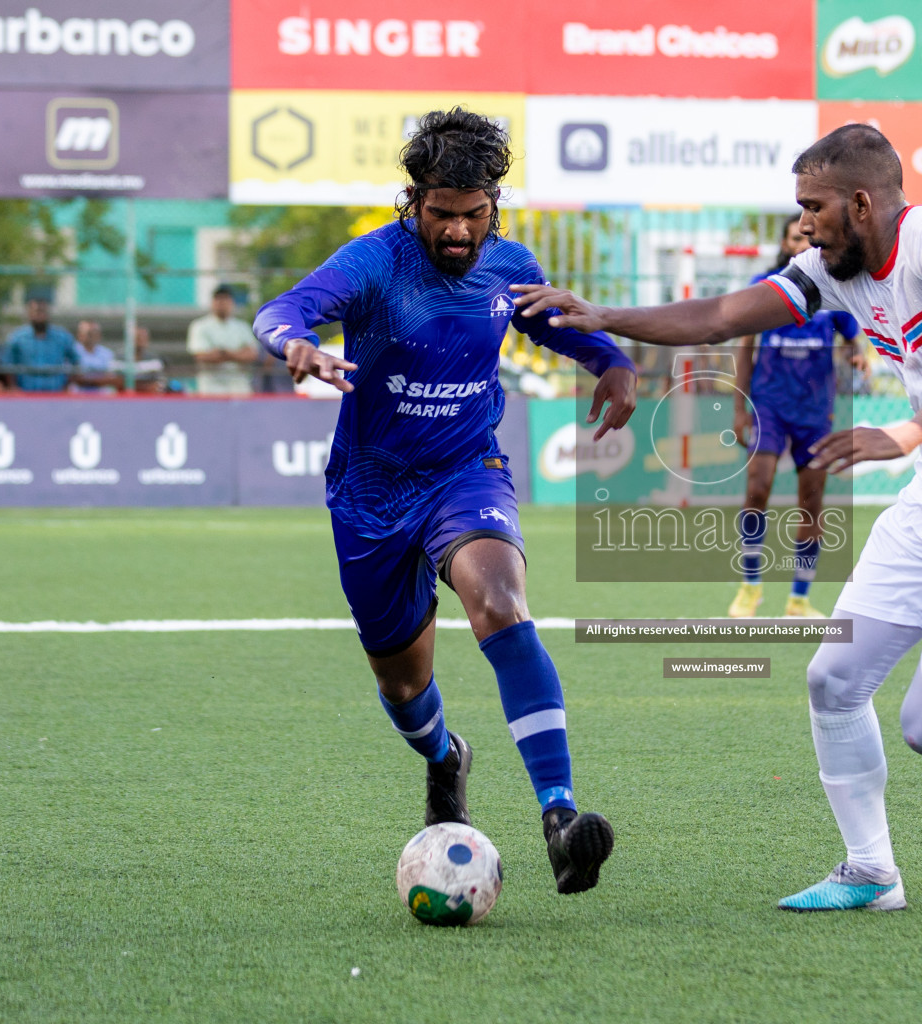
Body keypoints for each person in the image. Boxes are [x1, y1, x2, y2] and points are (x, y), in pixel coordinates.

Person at [513, 123, 922, 912]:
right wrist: (602, 314)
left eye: (813, 207)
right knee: (833, 678)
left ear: (861, 202)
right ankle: (872, 871)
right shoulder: (827, 271)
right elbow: (719, 318)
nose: (804, 223)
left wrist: (909, 431)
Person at [252, 108, 637, 895]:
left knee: (499, 600)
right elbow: (284, 308)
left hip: (467, 471)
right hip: (370, 493)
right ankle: (444, 757)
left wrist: (614, 363)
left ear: (493, 204)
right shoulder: (374, 263)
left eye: (472, 215)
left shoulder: (509, 265)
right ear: (414, 202)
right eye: (441, 214)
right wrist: (291, 340)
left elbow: (568, 331)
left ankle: (560, 817)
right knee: (401, 684)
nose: (457, 232)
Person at [729, 213, 865, 619]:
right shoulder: (764, 288)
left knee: (812, 503)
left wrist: (856, 355)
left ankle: (799, 598)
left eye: (807, 238)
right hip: (768, 405)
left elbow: (853, 337)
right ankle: (750, 587)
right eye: (794, 238)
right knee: (758, 488)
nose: (802, 244)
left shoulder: (834, 292)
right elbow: (745, 349)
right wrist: (740, 407)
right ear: (785, 244)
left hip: (814, 411)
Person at [188, 285, 259, 395]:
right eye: (218, 299)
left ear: (232, 302)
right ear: (212, 302)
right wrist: (237, 354)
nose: (222, 303)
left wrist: (224, 353)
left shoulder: (242, 326)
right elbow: (201, 355)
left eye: (225, 299)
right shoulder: (200, 326)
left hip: (239, 388)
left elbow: (251, 354)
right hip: (211, 389)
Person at [3, 294, 80, 392]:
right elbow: (8, 365)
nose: (40, 315)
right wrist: (13, 387)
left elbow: (76, 362)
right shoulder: (17, 338)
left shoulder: (62, 337)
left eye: (43, 311)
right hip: (26, 394)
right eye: (36, 311)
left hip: (56, 394)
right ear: (29, 313)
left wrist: (67, 386)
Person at [73, 320, 122, 393]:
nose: (91, 336)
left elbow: (112, 378)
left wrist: (90, 381)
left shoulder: (107, 353)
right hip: (78, 395)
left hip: (101, 395)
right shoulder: (73, 351)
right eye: (89, 333)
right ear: (79, 334)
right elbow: (74, 377)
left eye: (94, 332)